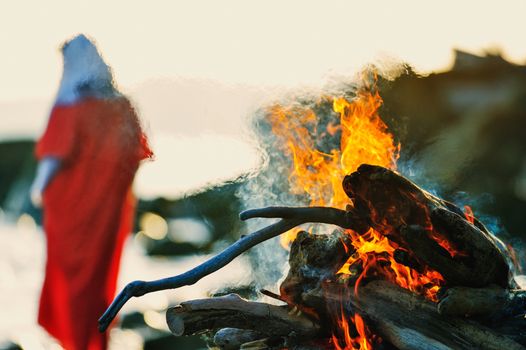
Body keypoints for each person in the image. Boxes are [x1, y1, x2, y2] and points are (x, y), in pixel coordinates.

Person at [30, 34, 153, 350]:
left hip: (70, 215)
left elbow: (52, 161)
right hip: (108, 214)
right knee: (98, 278)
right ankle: (96, 340)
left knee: (70, 282)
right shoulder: (122, 105)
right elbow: (134, 156)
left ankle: (74, 342)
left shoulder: (71, 107)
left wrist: (37, 191)